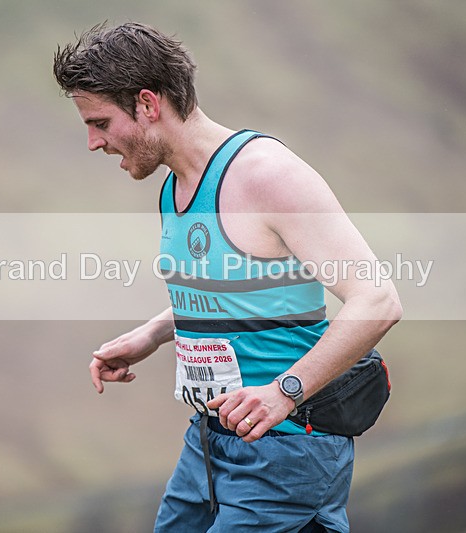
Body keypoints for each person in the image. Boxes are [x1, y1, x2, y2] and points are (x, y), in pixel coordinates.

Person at [53, 22, 402, 533]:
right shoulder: (174, 186)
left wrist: (284, 391)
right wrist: (152, 334)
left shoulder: (267, 175)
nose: (92, 142)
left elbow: (377, 301)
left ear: (148, 104)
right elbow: (239, 287)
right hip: (209, 443)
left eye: (101, 122)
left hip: (287, 443)